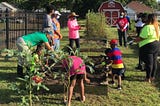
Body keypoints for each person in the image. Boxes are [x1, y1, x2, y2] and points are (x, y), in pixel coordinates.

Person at [135, 14, 160, 83]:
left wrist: (136, 40)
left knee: (149, 63)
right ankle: (152, 77)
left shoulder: (147, 27)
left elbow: (142, 37)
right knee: (154, 62)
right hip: (156, 45)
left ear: (148, 19)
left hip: (148, 46)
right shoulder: (157, 27)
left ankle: (148, 78)